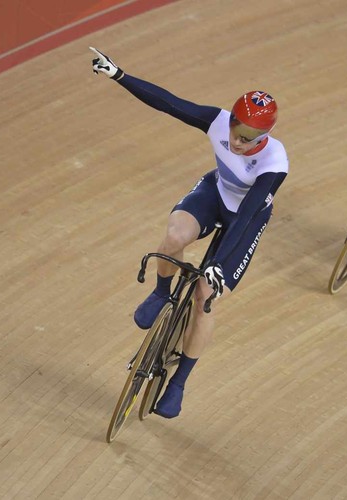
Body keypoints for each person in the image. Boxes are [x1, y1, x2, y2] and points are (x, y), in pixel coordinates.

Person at [90, 47, 289, 418]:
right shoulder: (218, 121)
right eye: (236, 131)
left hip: (245, 218)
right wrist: (119, 75)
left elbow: (246, 216)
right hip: (216, 193)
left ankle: (178, 382)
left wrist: (218, 264)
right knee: (175, 237)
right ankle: (161, 293)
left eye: (248, 138)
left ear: (265, 136)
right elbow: (169, 103)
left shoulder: (274, 163)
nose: (238, 141)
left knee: (205, 294)